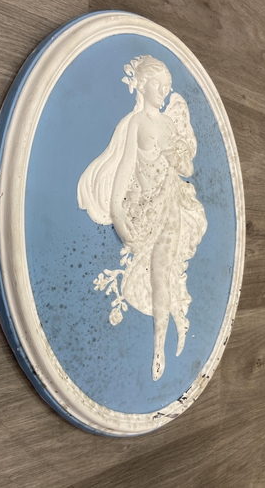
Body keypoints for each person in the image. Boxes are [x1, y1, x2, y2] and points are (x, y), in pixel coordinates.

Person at [77, 56, 207, 380]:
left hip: (170, 201)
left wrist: (176, 157)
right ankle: (162, 342)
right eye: (157, 84)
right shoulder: (136, 123)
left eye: (166, 86)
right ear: (142, 85)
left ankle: (164, 339)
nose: (162, 91)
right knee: (158, 273)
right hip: (145, 207)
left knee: (164, 269)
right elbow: (125, 166)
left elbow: (187, 168)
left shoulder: (169, 125)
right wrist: (117, 211)